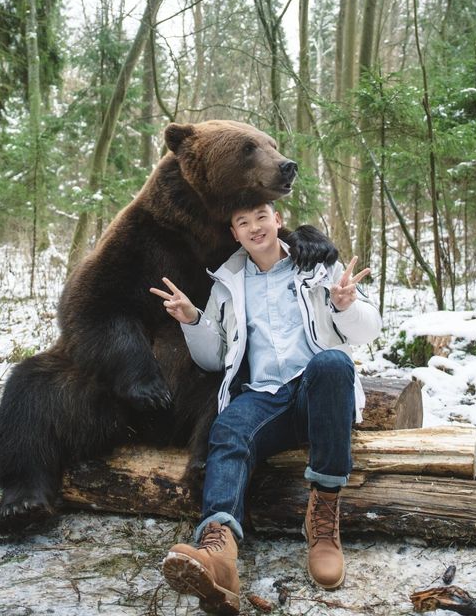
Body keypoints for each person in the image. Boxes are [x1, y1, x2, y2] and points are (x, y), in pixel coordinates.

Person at [150, 202, 382, 615]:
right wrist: (192, 320)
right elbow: (214, 358)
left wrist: (346, 306)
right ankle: (219, 553)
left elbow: (367, 331)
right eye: (243, 222)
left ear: (278, 220)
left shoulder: (318, 264)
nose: (255, 227)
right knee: (229, 427)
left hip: (318, 392)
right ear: (235, 234)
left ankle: (323, 515)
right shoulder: (228, 284)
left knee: (334, 362)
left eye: (261, 217)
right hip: (264, 397)